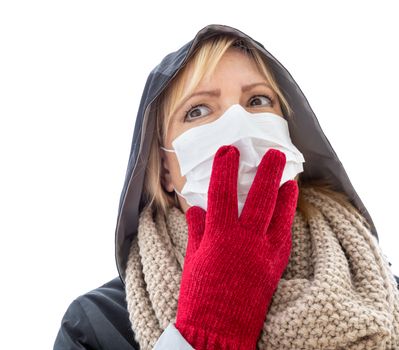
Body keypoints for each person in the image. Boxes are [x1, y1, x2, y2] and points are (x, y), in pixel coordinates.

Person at [53, 24, 399, 350]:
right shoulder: (96, 326)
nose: (238, 124)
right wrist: (207, 332)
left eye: (258, 101)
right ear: (164, 172)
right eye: (198, 110)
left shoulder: (385, 295)